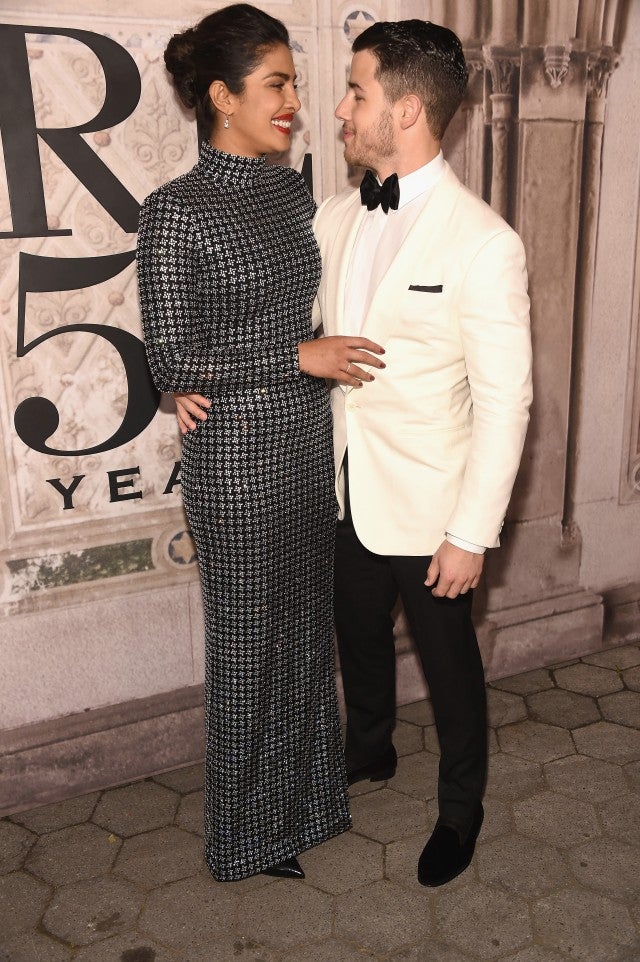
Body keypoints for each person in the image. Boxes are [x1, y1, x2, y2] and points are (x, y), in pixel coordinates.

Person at [176, 16, 533, 887]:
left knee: (450, 669)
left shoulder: (484, 243)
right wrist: (180, 375)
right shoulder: (331, 213)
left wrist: (472, 532)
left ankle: (460, 811)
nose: (336, 108)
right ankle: (369, 752)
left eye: (358, 93)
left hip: (432, 506)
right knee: (358, 640)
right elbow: (259, 325)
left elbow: (507, 401)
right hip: (333, 487)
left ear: (405, 111)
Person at [136, 3, 385, 883]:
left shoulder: (289, 191)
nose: (293, 102)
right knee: (249, 645)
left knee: (304, 635)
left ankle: (310, 805)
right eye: (276, 84)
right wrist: (295, 357)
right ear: (219, 95)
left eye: (295, 85)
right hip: (235, 461)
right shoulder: (174, 211)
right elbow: (171, 354)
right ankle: (243, 838)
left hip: (304, 445)